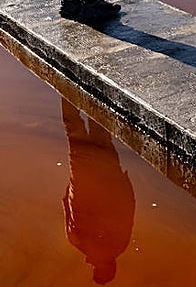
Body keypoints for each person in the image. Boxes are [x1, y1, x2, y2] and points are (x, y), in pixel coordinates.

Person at [60, 98, 135, 284]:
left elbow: (128, 208)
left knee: (98, 130)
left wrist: (123, 181)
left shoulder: (113, 243)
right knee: (75, 127)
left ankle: (72, 88)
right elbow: (65, 207)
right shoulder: (80, 242)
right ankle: (67, 90)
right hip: (87, 175)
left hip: (103, 175)